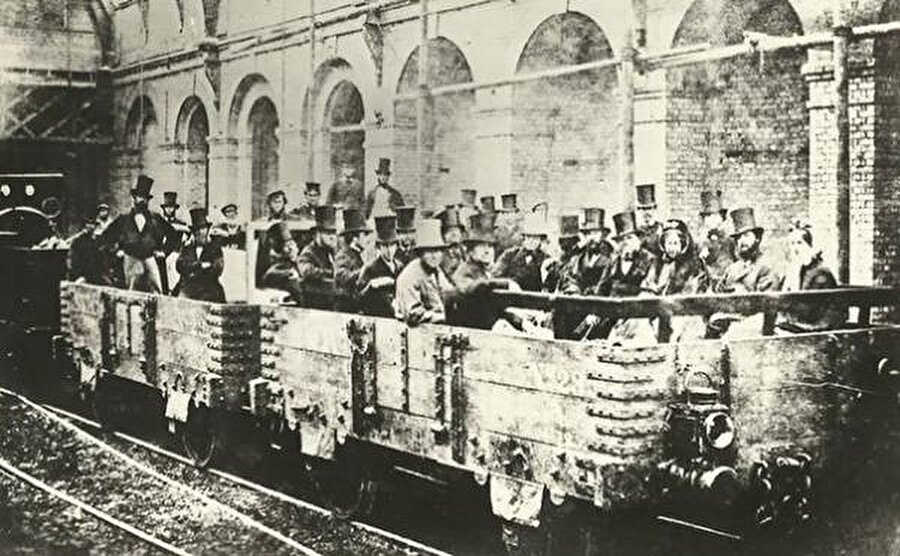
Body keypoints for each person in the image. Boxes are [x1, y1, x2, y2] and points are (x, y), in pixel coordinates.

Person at [575, 211, 657, 341]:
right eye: (621, 239)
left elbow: (648, 291)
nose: (625, 242)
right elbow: (601, 289)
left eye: (629, 238)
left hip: (635, 316)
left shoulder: (649, 260)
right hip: (610, 314)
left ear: (638, 239)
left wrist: (633, 312)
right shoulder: (613, 261)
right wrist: (595, 311)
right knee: (581, 333)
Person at [710, 207, 783, 338]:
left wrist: (739, 295)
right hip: (726, 322)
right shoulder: (733, 268)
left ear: (757, 239)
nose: (742, 241)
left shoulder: (766, 267)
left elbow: (767, 308)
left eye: (747, 236)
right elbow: (717, 294)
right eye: (738, 238)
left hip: (753, 327)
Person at [99, 175, 179, 293]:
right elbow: (105, 238)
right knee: (131, 295)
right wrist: (115, 252)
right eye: (139, 197)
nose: (142, 200)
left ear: (148, 200)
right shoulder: (123, 219)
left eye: (144, 197)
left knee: (156, 294)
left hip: (150, 259)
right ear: (134, 198)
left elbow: (174, 236)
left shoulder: (156, 218)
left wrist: (163, 252)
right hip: (130, 260)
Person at [642, 219, 709, 342]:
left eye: (675, 243)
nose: (671, 248)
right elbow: (648, 285)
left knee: (681, 327)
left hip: (684, 311)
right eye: (669, 243)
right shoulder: (657, 264)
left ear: (683, 244)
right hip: (658, 308)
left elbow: (692, 292)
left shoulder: (695, 264)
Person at [449, 212, 519, 330]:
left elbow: (492, 307)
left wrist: (519, 321)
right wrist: (506, 284)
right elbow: (471, 288)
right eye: (482, 246)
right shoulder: (463, 271)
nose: (488, 251)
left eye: (490, 246)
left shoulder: (484, 271)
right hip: (470, 334)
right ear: (471, 251)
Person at [776, 218, 842, 333]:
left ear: (809, 245)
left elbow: (809, 310)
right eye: (792, 244)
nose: (795, 249)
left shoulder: (820, 274)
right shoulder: (796, 270)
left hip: (817, 327)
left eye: (799, 243)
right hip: (800, 324)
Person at [394, 219, 454, 326]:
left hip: (437, 328)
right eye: (429, 251)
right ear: (421, 253)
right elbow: (413, 315)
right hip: (413, 332)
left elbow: (449, 294)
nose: (434, 256)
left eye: (438, 251)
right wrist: (443, 317)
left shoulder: (437, 271)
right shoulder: (410, 276)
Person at [558, 208, 615, 294]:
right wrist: (573, 288)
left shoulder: (611, 258)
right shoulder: (580, 257)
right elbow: (573, 277)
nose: (591, 237)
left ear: (603, 235)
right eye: (588, 234)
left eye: (595, 233)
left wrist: (591, 292)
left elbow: (606, 284)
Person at [175, 208, 225, 303]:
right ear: (193, 232)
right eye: (197, 230)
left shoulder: (214, 248)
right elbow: (179, 265)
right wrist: (199, 265)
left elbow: (217, 268)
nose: (200, 233)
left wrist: (193, 269)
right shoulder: (187, 248)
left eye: (202, 229)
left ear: (207, 231)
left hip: (208, 288)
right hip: (188, 287)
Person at [492, 211, 550, 292]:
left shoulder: (546, 259)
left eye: (535, 238)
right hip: (510, 297)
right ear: (523, 238)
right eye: (528, 237)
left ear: (540, 240)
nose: (531, 241)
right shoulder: (509, 255)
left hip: (534, 300)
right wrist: (509, 284)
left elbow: (548, 285)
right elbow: (495, 276)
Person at [358, 216, 401, 318]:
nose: (389, 250)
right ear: (379, 247)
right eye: (385, 246)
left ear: (396, 246)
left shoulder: (400, 267)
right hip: (377, 319)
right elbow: (358, 299)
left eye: (392, 245)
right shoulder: (370, 268)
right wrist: (372, 286)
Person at [297, 204, 338, 310]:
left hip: (333, 305)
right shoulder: (308, 252)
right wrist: (330, 272)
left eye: (334, 232)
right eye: (328, 232)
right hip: (315, 307)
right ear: (318, 233)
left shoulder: (333, 251)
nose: (332, 237)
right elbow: (306, 271)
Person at [334, 208, 372, 313]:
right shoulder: (344, 255)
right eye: (364, 235)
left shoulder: (356, 255)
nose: (367, 239)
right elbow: (341, 276)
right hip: (345, 309)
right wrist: (364, 270)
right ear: (355, 238)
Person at [697, 190, 734, 289]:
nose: (710, 220)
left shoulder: (729, 240)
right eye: (707, 216)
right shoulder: (700, 242)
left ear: (721, 218)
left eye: (714, 215)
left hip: (727, 282)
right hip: (706, 284)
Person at [261, 222, 305, 304]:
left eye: (292, 243)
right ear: (279, 251)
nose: (291, 248)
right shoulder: (275, 271)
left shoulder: (299, 264)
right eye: (286, 246)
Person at [544, 214, 581, 293]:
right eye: (562, 241)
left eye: (569, 240)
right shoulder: (558, 262)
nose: (564, 245)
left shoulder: (580, 259)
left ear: (575, 241)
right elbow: (548, 285)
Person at [67, 217, 110, 285]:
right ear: (85, 226)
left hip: (95, 276)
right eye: (89, 224)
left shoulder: (95, 242)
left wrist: (104, 275)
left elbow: (101, 261)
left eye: (93, 225)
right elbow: (73, 262)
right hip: (81, 276)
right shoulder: (77, 242)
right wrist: (79, 276)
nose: (91, 227)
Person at [437, 205, 466, 278]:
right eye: (449, 231)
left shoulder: (463, 250)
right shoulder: (441, 253)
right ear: (442, 234)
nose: (454, 234)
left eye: (457, 230)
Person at [635, 184, 663, 259]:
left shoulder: (662, 230)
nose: (646, 212)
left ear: (655, 208)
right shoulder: (636, 233)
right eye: (642, 209)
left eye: (649, 208)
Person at [395, 206, 417, 270]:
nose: (407, 237)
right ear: (397, 235)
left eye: (410, 233)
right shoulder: (394, 254)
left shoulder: (417, 253)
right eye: (403, 233)